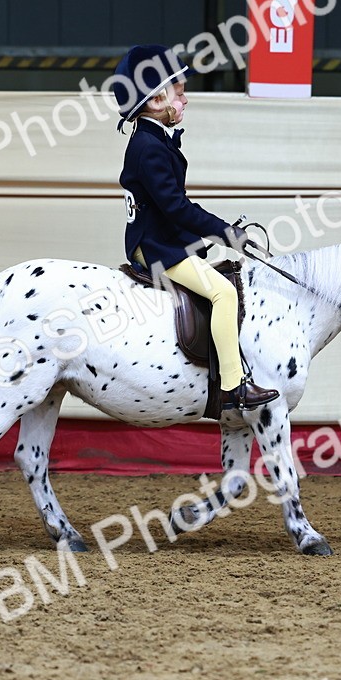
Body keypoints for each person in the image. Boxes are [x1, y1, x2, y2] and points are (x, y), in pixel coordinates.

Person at [112, 44, 279, 411]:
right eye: (181, 92)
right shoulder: (148, 147)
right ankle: (233, 387)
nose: (186, 100)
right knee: (223, 294)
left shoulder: (153, 139)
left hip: (164, 236)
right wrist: (226, 233)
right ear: (157, 100)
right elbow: (176, 208)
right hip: (155, 246)